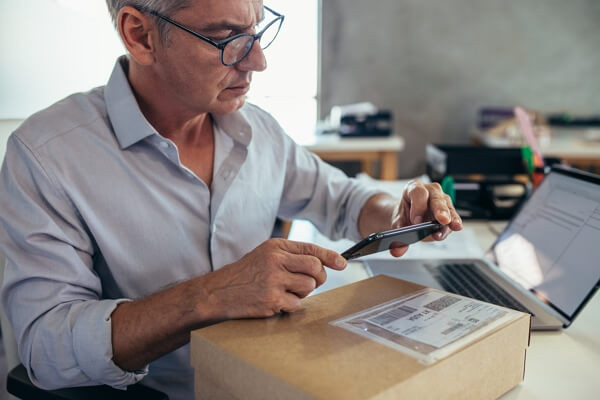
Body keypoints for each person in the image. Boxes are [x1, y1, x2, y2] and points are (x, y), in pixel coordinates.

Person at [0, 1, 462, 399]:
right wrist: (212, 295)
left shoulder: (256, 129)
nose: (257, 61)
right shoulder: (46, 155)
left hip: (274, 377)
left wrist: (398, 212)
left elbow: (342, 199)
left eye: (258, 30)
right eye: (227, 38)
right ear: (139, 35)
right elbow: (45, 348)